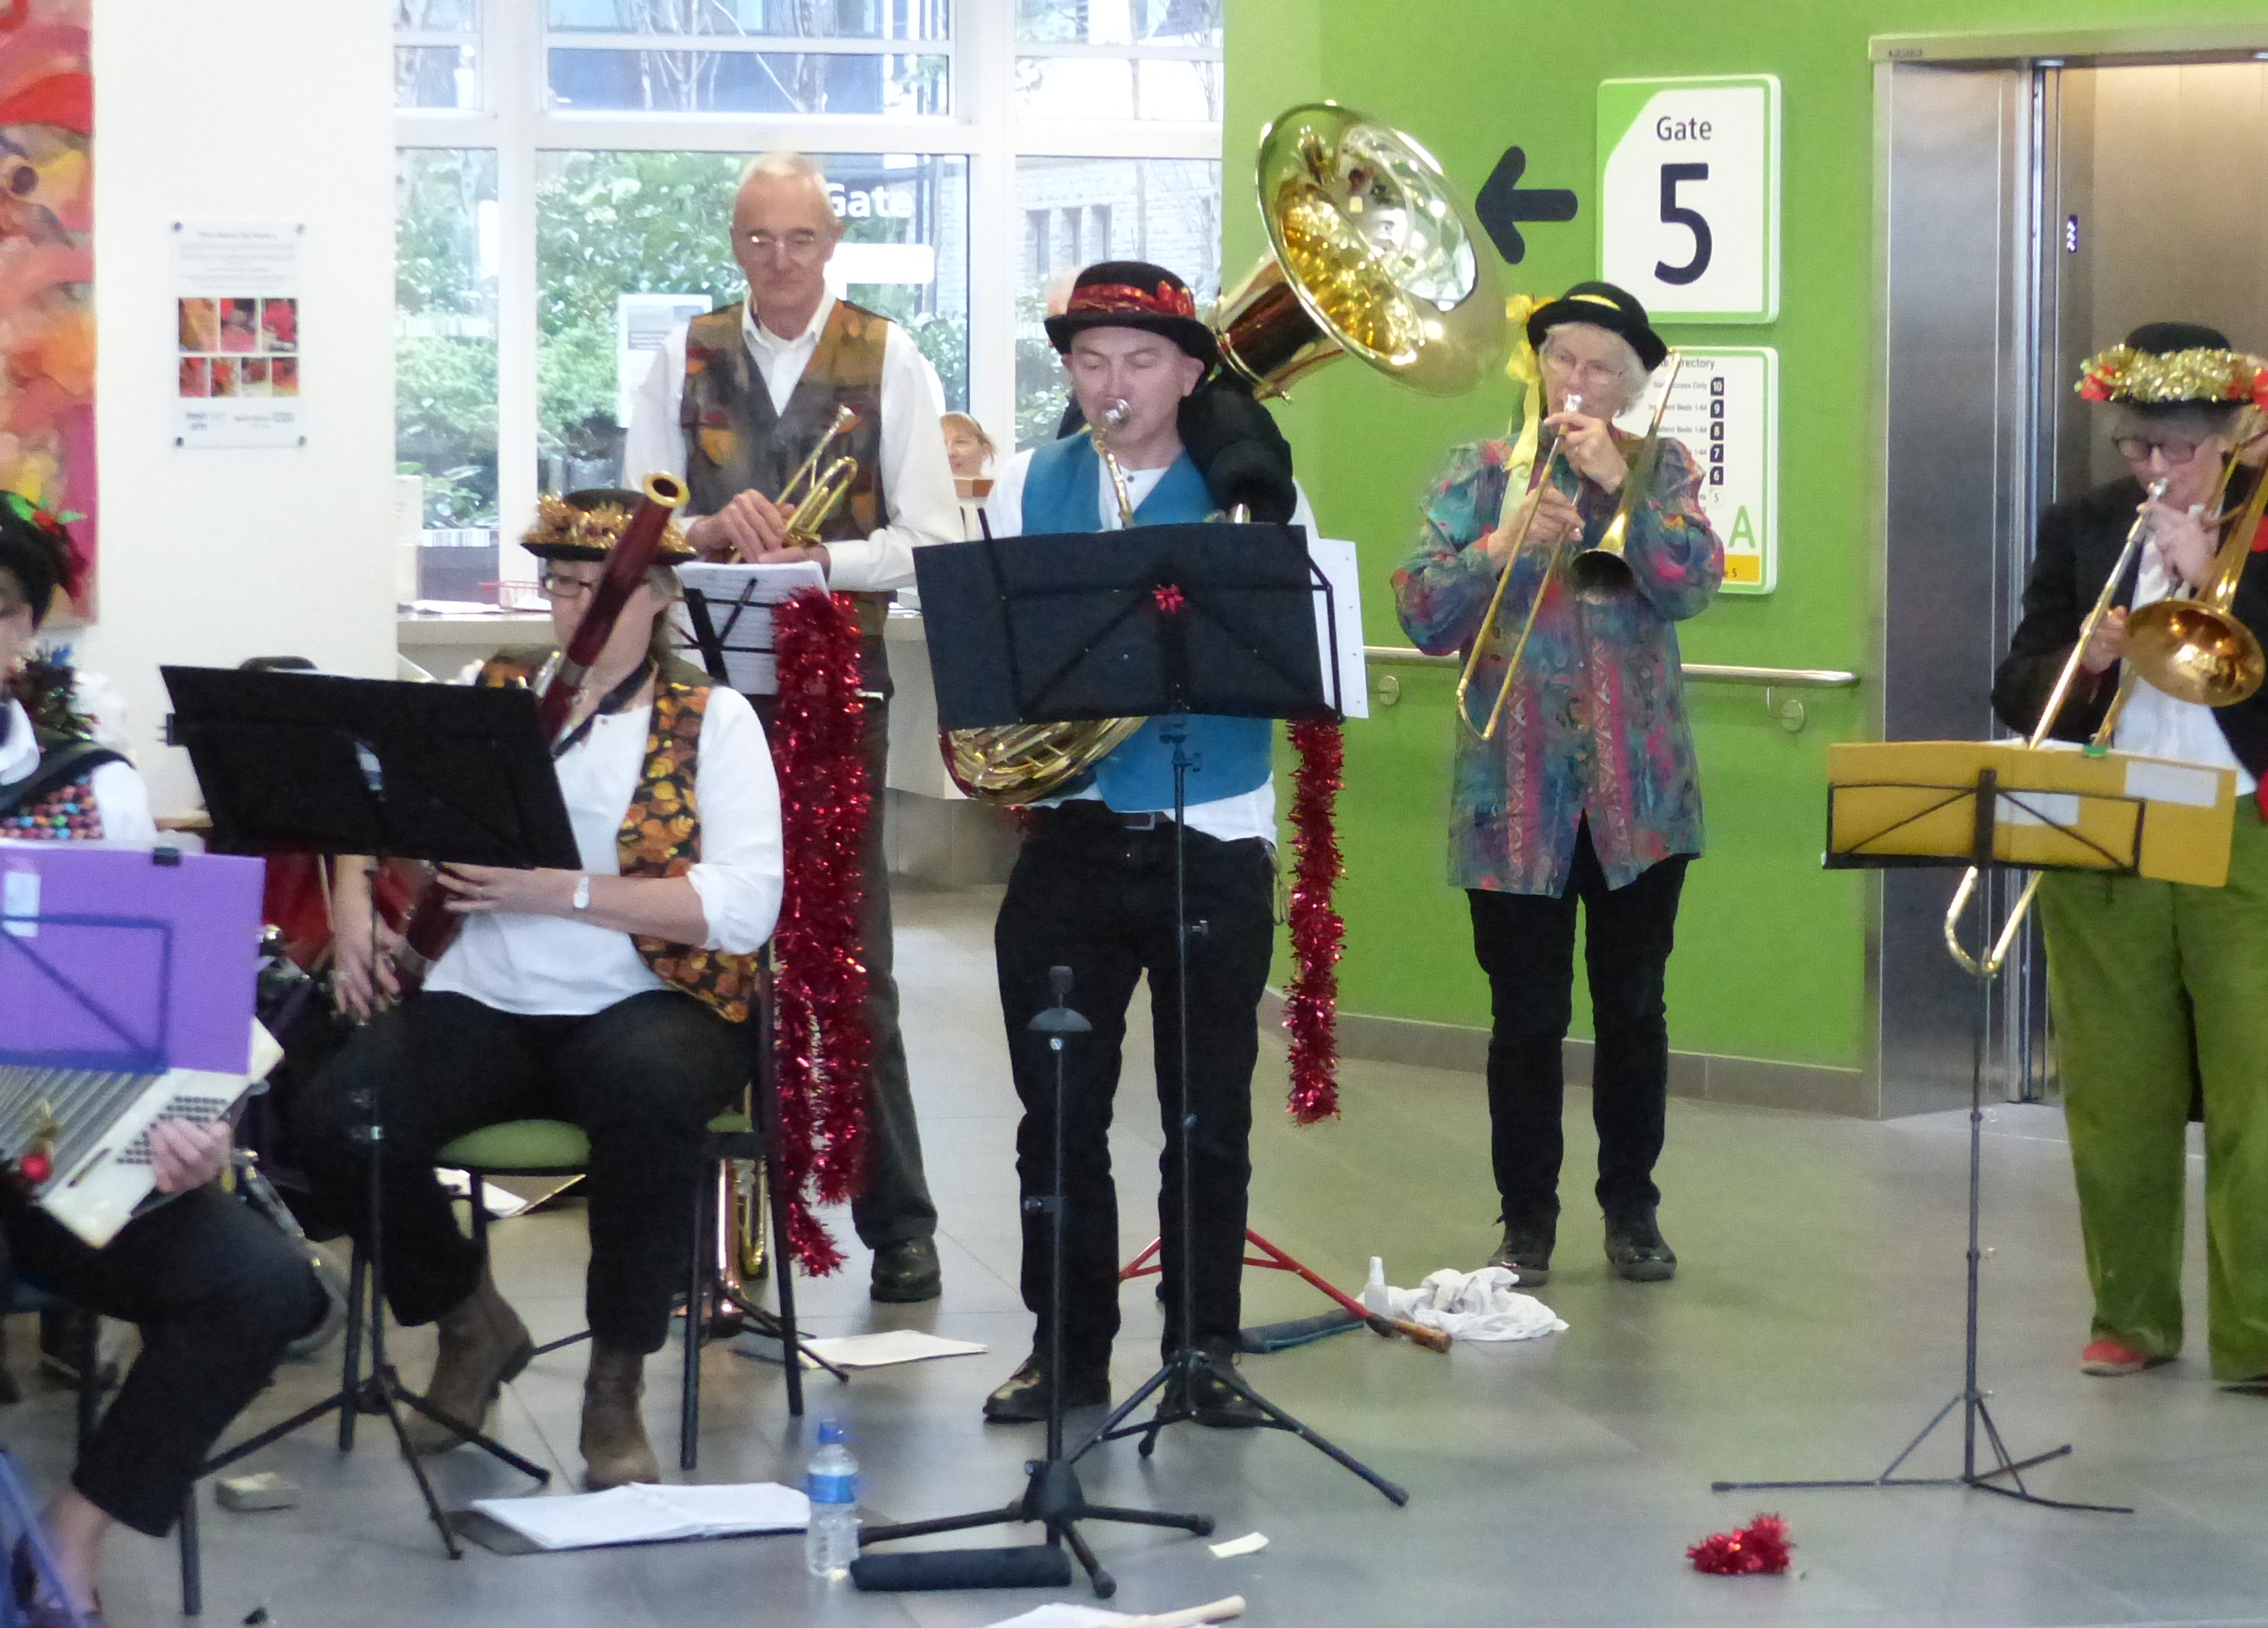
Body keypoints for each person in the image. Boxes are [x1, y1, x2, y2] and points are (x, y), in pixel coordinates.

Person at [295, 491, 784, 1488]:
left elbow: (744, 908)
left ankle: (616, 1378)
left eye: (593, 589)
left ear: (656, 597)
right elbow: (361, 790)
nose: (569, 609)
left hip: (652, 999)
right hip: (484, 997)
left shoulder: (714, 719)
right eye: (556, 586)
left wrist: (557, 891)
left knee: (647, 1097)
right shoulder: (492, 693)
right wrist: (351, 900)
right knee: (337, 1117)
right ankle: (468, 1321)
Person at [622, 151, 961, 1304]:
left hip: (834, 689)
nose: (780, 261)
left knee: (851, 961)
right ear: (735, 244)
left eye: (801, 238)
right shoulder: (681, 355)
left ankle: (898, 1222)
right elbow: (635, 529)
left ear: (831, 245)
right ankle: (702, 1228)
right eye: (759, 239)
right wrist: (707, 532)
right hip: (704, 698)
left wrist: (824, 558)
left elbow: (932, 539)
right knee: (700, 954)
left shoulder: (891, 356)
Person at [1992, 321, 2268, 1414]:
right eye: (2138, 447)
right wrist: (2087, 660)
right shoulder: (2082, 527)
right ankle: (2130, 1315)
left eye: (2180, 450)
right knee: (2115, 1088)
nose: (2156, 469)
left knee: (2250, 1087)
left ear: (2232, 436)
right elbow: (2020, 686)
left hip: (2239, 824)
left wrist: (2214, 581)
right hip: (2107, 824)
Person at [976, 261, 1310, 1427]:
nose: (1113, 383)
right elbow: (990, 656)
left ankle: (1203, 1350)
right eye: (1090, 360)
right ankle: (1063, 1353)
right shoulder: (1030, 482)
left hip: (1209, 838)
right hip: (1070, 840)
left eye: (1141, 360)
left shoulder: (1257, 500)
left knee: (1206, 1117)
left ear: (1189, 375)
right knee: (1056, 1117)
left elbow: (1290, 652)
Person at [0, 500, 329, 1628]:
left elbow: (173, 1008)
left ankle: (71, 1533)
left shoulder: (94, 790)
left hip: (56, 1162)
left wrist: (196, 1124)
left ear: (24, 632)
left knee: (263, 1285)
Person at [1392, 282, 1724, 1288]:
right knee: (1525, 1020)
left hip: (1640, 797)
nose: (1578, 380)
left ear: (1629, 387)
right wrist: (1500, 548)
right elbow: (1420, 614)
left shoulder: (1663, 466)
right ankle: (1526, 1221)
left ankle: (1633, 1209)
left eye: (1602, 368)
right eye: (1563, 359)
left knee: (1634, 1010)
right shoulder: (1478, 471)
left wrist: (1624, 487)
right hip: (1513, 794)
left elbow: (1692, 586)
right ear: (1538, 367)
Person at [944, 410, 996, 505]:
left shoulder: (1001, 495)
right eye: (942, 443)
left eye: (961, 442)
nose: (950, 452)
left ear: (985, 451)